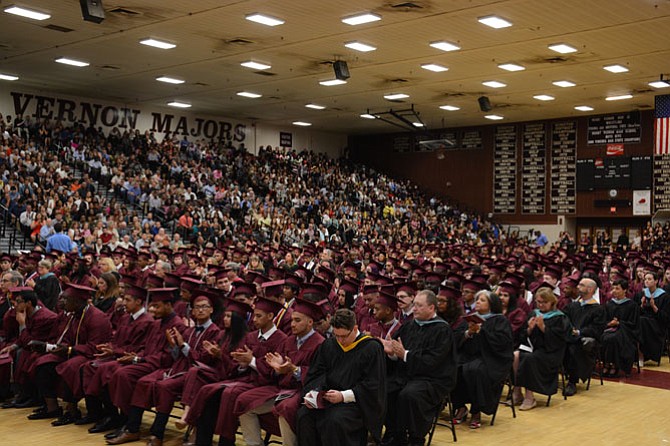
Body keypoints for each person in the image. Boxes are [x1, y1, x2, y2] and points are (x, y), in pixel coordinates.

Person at [235, 299, 325, 446]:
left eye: (297, 320)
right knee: (244, 401)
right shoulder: (288, 341)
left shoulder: (320, 343)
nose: (292, 324)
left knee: (286, 407)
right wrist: (277, 370)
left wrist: (294, 370)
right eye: (292, 320)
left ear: (310, 322)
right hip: (281, 388)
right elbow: (274, 370)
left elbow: (319, 374)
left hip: (300, 390)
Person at [297, 308, 386, 446]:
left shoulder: (371, 348)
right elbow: (317, 374)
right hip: (328, 398)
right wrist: (314, 393)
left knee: (334, 420)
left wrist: (343, 396)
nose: (340, 340)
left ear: (355, 328)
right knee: (304, 415)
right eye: (336, 335)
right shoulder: (329, 344)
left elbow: (373, 385)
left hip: (355, 403)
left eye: (344, 336)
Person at [28, 284, 112, 424]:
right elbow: (67, 339)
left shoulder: (97, 318)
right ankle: (52, 408)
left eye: (66, 300)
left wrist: (69, 350)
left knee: (70, 367)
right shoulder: (74, 315)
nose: (62, 302)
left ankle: (72, 411)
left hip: (90, 355)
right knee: (44, 363)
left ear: (78, 301)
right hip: (74, 352)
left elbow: (95, 348)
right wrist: (55, 348)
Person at [381, 289, 457, 445]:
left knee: (409, 395)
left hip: (433, 379)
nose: (414, 309)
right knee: (385, 389)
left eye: (419, 306)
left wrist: (405, 355)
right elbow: (398, 352)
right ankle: (395, 434)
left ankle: (416, 438)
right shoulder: (408, 326)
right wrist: (392, 353)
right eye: (414, 304)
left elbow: (433, 361)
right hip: (407, 374)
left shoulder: (442, 330)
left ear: (432, 308)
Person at [452, 290, 513, 429]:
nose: (478, 301)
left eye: (482, 300)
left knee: (476, 370)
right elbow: (455, 338)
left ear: (491, 304)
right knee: (453, 367)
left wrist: (482, 331)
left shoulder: (500, 320)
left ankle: (476, 410)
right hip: (468, 356)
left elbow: (502, 343)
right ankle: (460, 407)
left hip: (491, 359)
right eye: (477, 299)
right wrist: (468, 333)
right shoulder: (470, 318)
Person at [512, 287, 571, 410]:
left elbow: (559, 340)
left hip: (550, 353)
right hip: (533, 348)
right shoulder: (533, 313)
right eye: (538, 302)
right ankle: (517, 392)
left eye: (544, 302)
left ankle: (530, 397)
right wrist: (529, 329)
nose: (541, 305)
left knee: (529, 358)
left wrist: (544, 328)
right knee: (515, 356)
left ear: (552, 302)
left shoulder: (560, 317)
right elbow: (522, 336)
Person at [0, 287, 58, 409]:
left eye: (19, 301)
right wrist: (13, 346)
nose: (15, 304)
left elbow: (30, 343)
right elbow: (23, 340)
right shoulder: (29, 313)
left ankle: (32, 397)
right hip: (34, 346)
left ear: (29, 303)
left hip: (47, 348)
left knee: (24, 354)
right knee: (16, 352)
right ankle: (23, 394)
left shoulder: (45, 318)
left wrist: (22, 324)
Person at [562, 278, 606, 396]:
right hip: (569, 337)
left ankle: (572, 381)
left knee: (575, 347)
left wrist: (580, 332)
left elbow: (597, 329)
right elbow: (564, 319)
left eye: (581, 285)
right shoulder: (573, 306)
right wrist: (570, 330)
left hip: (585, 339)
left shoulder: (598, 309)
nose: (577, 287)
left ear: (590, 289)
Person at [601, 278, 640, 377]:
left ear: (625, 290)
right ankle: (606, 363)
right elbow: (604, 320)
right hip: (610, 329)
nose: (614, 291)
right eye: (613, 288)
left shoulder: (632, 305)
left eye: (617, 288)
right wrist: (609, 324)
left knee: (613, 338)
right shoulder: (609, 304)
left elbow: (633, 324)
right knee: (604, 337)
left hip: (626, 331)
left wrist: (619, 323)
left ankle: (614, 365)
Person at [634, 271, 669, 365]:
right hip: (644, 322)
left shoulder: (664, 296)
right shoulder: (641, 294)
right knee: (639, 321)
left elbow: (665, 318)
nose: (647, 281)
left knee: (641, 322)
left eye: (649, 279)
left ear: (656, 281)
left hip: (657, 324)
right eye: (645, 279)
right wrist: (641, 305)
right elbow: (635, 313)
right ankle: (638, 354)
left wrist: (654, 307)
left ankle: (641, 355)